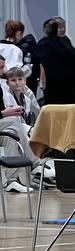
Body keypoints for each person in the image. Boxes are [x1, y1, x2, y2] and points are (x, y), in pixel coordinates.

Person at [2, 64, 42, 192]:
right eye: (13, 80)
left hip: (9, 127)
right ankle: (36, 165)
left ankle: (11, 181)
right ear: (8, 83)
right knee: (16, 123)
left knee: (11, 135)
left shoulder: (27, 96)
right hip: (10, 122)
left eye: (20, 79)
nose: (3, 71)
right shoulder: (6, 94)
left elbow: (37, 112)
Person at [33, 16, 75, 105]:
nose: (63, 30)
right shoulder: (45, 44)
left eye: (64, 27)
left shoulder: (66, 41)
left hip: (70, 85)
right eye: (60, 27)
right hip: (54, 87)